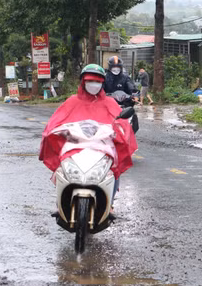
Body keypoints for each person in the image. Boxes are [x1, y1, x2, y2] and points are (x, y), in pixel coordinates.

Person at [39, 64, 138, 211]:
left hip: (102, 146)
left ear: (102, 83)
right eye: (91, 81)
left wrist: (120, 131)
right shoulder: (72, 101)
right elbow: (57, 120)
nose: (94, 85)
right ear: (83, 82)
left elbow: (121, 122)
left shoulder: (110, 103)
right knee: (62, 168)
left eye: (98, 82)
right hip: (75, 146)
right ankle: (61, 201)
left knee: (114, 166)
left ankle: (109, 203)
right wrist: (53, 131)